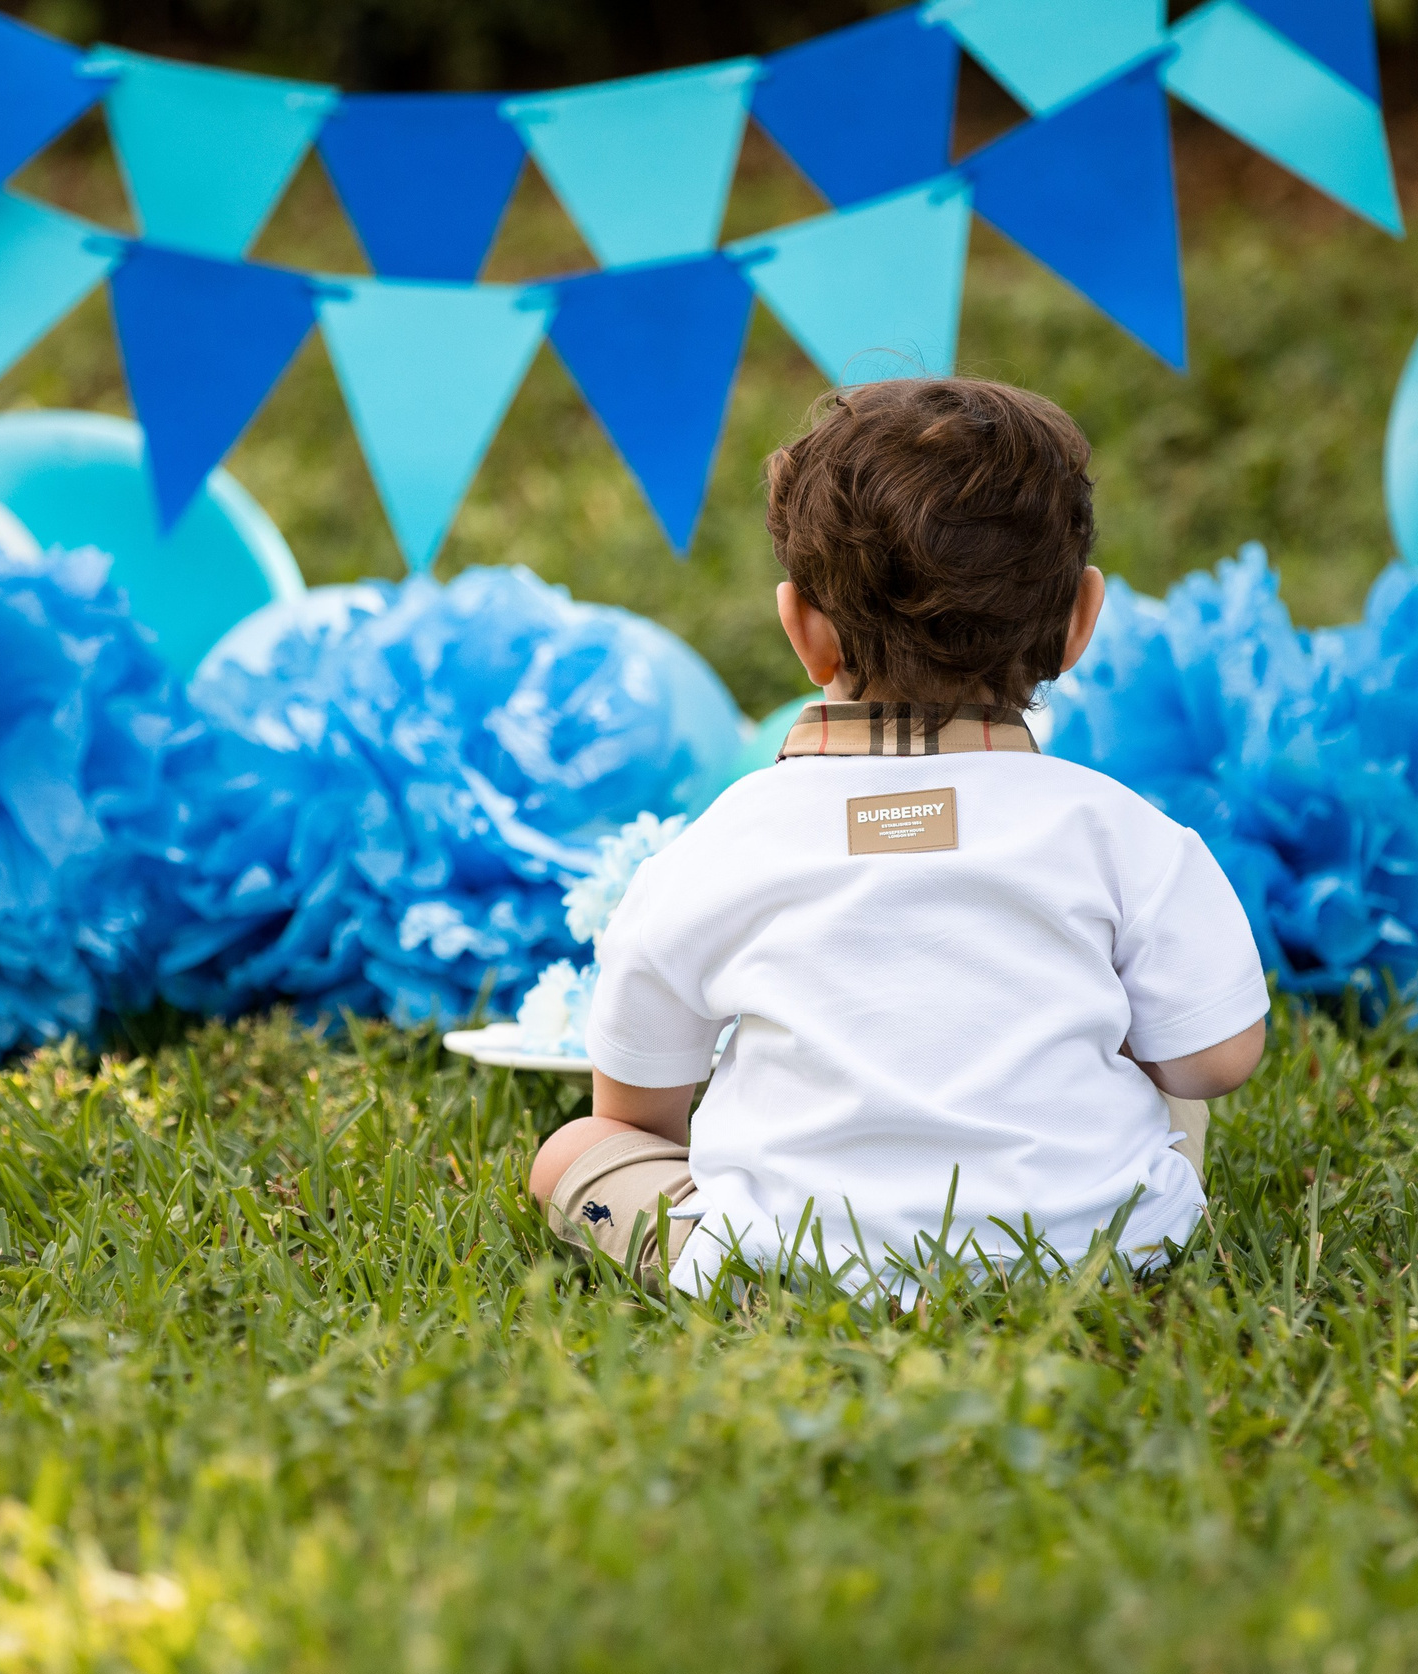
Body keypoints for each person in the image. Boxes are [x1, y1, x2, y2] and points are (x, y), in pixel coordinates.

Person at [530, 378, 1269, 1296]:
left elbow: (641, 1109)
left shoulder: (720, 845)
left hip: (786, 1259)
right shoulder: (1120, 827)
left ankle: (733, 1263)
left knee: (573, 1149)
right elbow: (1219, 1058)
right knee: (1169, 1088)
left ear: (804, 629)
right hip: (1094, 1248)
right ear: (1081, 620)